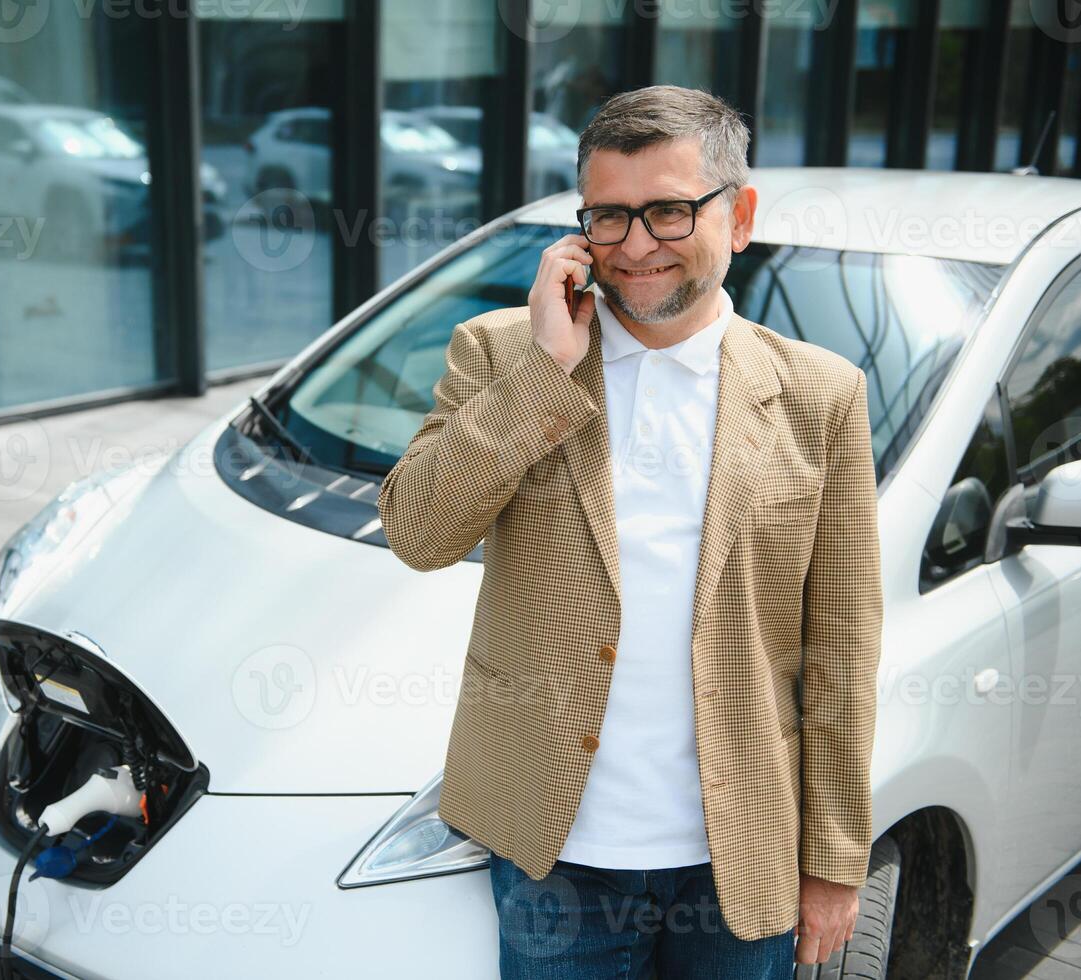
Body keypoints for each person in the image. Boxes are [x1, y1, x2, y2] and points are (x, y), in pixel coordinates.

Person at [376, 83, 882, 980]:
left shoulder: (820, 394)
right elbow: (418, 533)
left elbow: (841, 644)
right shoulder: (502, 355)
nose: (635, 246)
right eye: (608, 217)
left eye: (669, 211)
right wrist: (544, 373)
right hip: (555, 857)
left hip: (740, 859)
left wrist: (834, 861)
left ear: (740, 215)